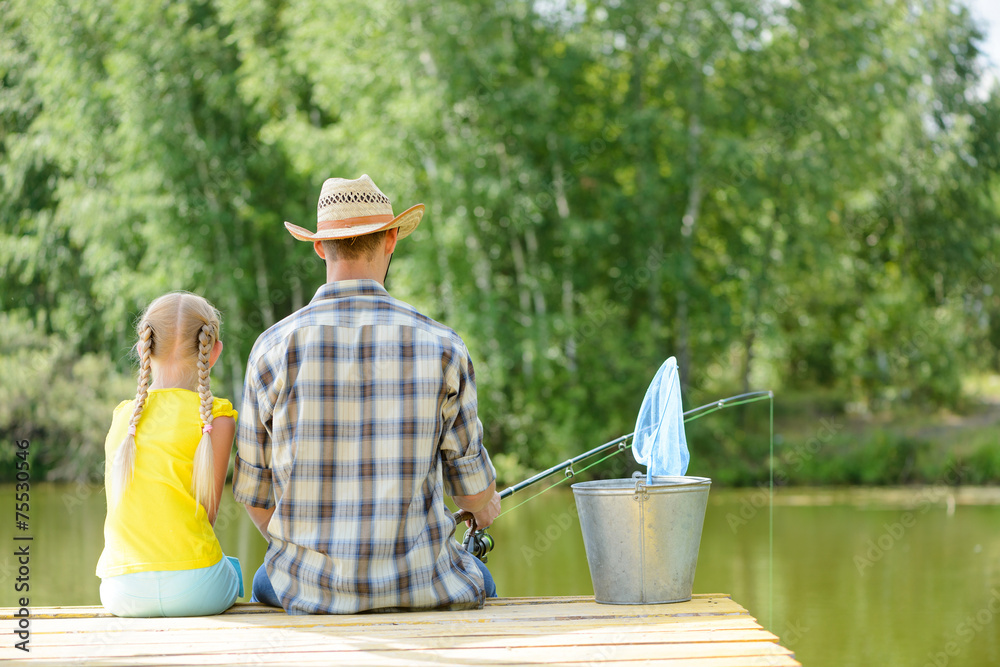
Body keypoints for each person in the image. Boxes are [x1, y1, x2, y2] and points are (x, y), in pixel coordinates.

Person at [234, 175, 501, 615]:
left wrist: (313, 560)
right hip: (424, 587)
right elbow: (472, 495)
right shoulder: (444, 346)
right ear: (392, 239)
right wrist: (483, 506)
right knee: (481, 577)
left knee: (266, 575)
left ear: (320, 246)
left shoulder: (271, 349)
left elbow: (255, 497)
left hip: (305, 589)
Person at [97, 292, 244, 617]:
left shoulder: (123, 418)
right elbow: (208, 514)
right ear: (214, 351)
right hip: (198, 589)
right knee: (233, 572)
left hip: (121, 592)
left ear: (143, 349)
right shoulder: (216, 418)